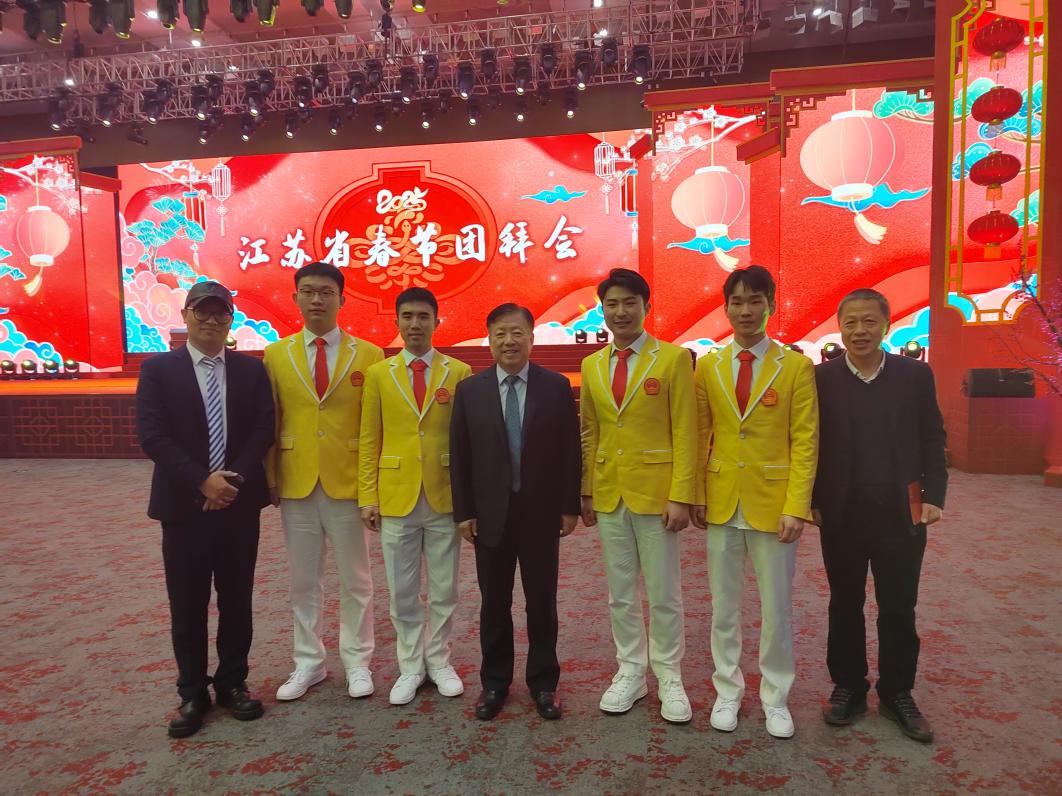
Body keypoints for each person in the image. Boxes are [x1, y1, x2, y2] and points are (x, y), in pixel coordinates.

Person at [136, 280, 274, 738]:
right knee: (187, 603)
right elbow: (152, 435)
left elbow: (263, 430)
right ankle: (192, 691)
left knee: (237, 600)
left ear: (230, 320)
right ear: (186, 315)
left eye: (221, 312)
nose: (212, 320)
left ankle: (233, 683)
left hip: (238, 505)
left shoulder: (251, 370)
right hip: (183, 507)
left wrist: (230, 480)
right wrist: (202, 479)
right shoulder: (158, 370)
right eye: (203, 311)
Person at [813, 288, 947, 743]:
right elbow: (810, 441)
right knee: (844, 603)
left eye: (869, 321)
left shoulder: (914, 375)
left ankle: (896, 692)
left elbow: (932, 436)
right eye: (850, 322)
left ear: (887, 326)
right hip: (843, 512)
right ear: (840, 327)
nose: (859, 331)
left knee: (898, 606)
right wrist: (813, 498)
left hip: (902, 512)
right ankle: (849, 687)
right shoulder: (821, 378)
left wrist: (935, 494)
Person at [692, 265, 818, 739]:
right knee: (723, 607)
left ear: (771, 305)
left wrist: (796, 505)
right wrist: (697, 493)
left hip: (773, 503)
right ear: (726, 308)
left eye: (755, 301)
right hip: (722, 501)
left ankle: (775, 696)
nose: (746, 311)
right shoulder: (709, 366)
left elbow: (805, 440)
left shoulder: (795, 367)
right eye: (737, 302)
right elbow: (701, 434)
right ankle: (727, 690)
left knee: (776, 608)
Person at [449, 303, 581, 721]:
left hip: (541, 514)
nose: (509, 341)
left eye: (517, 332)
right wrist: (464, 511)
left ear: (531, 337)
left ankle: (543, 683)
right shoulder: (470, 391)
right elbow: (460, 455)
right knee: (494, 603)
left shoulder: (555, 386)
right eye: (500, 333)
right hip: (490, 516)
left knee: (542, 603)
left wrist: (568, 506)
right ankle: (494, 682)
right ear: (489, 340)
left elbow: (570, 450)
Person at [579, 268, 697, 724]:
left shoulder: (672, 359)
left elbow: (686, 430)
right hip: (610, 492)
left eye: (630, 302)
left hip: (656, 493)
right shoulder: (592, 364)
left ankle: (669, 674)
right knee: (620, 592)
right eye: (612, 304)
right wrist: (586, 489)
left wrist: (681, 494)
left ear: (646, 307)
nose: (621, 311)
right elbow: (590, 431)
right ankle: (630, 669)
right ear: (602, 310)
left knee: (664, 592)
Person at [264, 262, 384, 702]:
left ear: (341, 299)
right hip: (297, 480)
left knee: (356, 579)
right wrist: (271, 477)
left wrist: (372, 486)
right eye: (309, 291)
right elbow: (271, 419)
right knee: (302, 580)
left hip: (348, 481)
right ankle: (308, 663)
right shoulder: (275, 355)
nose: (317, 299)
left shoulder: (369, 355)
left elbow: (375, 425)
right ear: (296, 297)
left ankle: (357, 661)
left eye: (326, 292)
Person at [359, 287, 472, 706]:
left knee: (444, 588)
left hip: (444, 494)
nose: (415, 324)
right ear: (397, 322)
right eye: (407, 316)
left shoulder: (458, 371)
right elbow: (369, 437)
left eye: (423, 316)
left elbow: (467, 440)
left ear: (437, 321)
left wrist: (468, 499)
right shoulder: (378, 374)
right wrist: (367, 495)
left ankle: (439, 660)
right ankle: (410, 666)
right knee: (402, 589)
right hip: (395, 495)